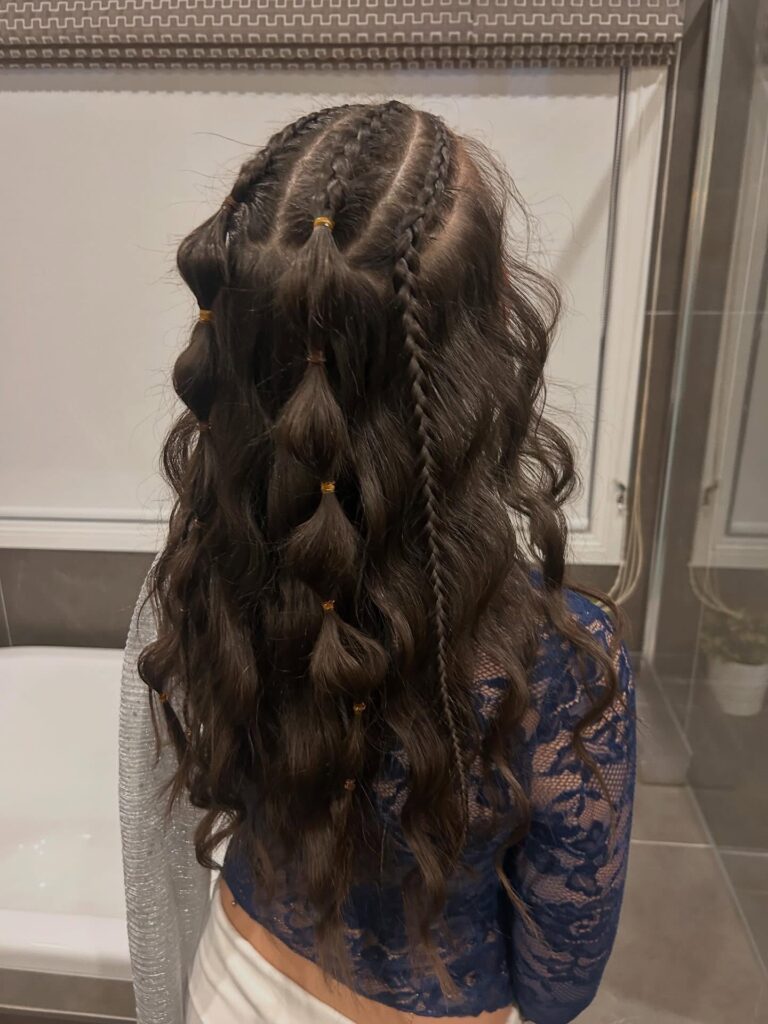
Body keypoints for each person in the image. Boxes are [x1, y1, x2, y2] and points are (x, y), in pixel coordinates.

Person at [118, 99, 636, 1024]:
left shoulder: (209, 565)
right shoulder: (557, 664)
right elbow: (560, 986)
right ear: (481, 340)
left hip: (231, 978)